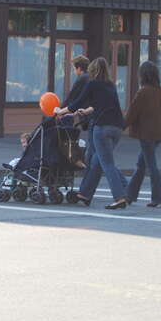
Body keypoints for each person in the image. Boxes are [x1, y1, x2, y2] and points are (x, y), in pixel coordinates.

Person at [55, 57, 128, 210]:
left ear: (92, 70)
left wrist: (59, 111)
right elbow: (98, 106)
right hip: (117, 128)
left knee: (107, 163)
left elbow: (76, 102)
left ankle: (120, 197)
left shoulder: (92, 83)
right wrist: (83, 112)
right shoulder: (110, 85)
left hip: (102, 128)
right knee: (96, 162)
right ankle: (85, 194)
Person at [124, 61, 161, 208]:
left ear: (142, 75)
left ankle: (160, 197)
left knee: (151, 166)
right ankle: (129, 195)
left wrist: (121, 126)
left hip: (146, 134)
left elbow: (132, 112)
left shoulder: (143, 92)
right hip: (158, 134)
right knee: (141, 165)